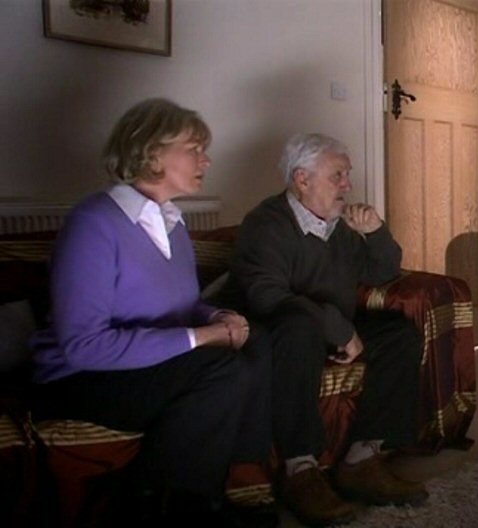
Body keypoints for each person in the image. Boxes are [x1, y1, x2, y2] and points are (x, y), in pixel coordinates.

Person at [30, 98, 273, 526]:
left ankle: (228, 487)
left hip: (146, 364)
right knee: (220, 368)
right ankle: (176, 507)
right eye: (194, 149)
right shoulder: (93, 222)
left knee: (257, 342)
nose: (206, 160)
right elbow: (84, 346)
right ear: (152, 152)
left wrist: (214, 317)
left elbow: (180, 305)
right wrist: (201, 337)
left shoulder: (173, 224)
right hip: (81, 377)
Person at [221, 132, 427, 527]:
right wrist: (337, 328)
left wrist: (376, 232)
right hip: (280, 333)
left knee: (399, 334)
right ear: (302, 179)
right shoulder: (265, 224)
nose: (347, 185)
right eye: (338, 175)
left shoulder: (338, 228)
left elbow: (383, 272)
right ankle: (300, 468)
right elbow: (267, 296)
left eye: (347, 175)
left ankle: (362, 460)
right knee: (298, 326)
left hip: (329, 329)